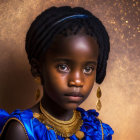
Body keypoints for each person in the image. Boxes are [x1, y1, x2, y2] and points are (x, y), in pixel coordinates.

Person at [0, 6, 114, 140]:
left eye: (88, 69)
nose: (77, 81)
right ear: (37, 68)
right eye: (63, 67)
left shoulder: (97, 130)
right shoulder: (22, 130)